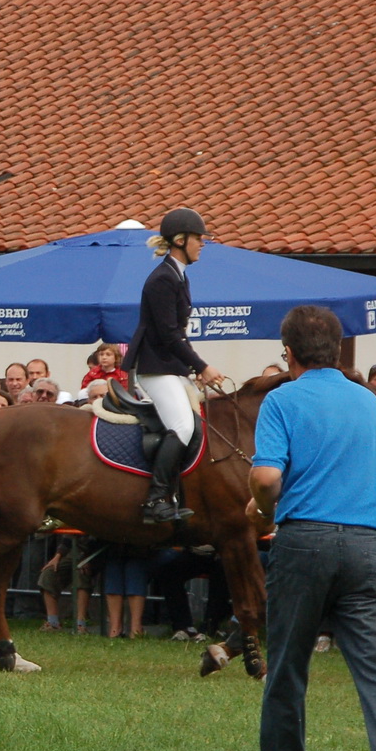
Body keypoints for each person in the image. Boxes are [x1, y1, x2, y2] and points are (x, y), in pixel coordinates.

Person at [247, 305, 376, 751]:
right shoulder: (368, 401)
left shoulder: (282, 399)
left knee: (288, 665)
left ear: (289, 353)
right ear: (338, 350)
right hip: (370, 543)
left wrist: (261, 508)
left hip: (305, 540)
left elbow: (266, 478)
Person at [124, 208, 225, 522]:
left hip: (170, 366)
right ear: (180, 240)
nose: (202, 244)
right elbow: (169, 335)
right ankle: (155, 500)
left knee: (196, 425)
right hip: (155, 368)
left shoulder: (179, 276)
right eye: (198, 238)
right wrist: (202, 367)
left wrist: (195, 369)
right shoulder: (162, 279)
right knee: (181, 426)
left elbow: (179, 335)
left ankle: (177, 494)